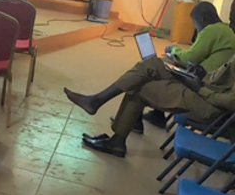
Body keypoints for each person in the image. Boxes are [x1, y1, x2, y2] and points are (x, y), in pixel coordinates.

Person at [64, 54, 235, 158]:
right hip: (204, 92)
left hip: (212, 108)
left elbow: (231, 102)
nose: (230, 26)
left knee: (141, 87)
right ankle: (98, 105)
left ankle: (114, 136)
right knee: (153, 64)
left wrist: (200, 88)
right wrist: (201, 76)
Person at [143, 1, 235, 128]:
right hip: (210, 79)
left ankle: (155, 112)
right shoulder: (225, 30)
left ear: (202, 19)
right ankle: (156, 114)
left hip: (205, 83)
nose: (196, 29)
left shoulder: (211, 30)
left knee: (156, 70)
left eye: (195, 24)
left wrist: (173, 49)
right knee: (162, 66)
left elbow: (189, 58)